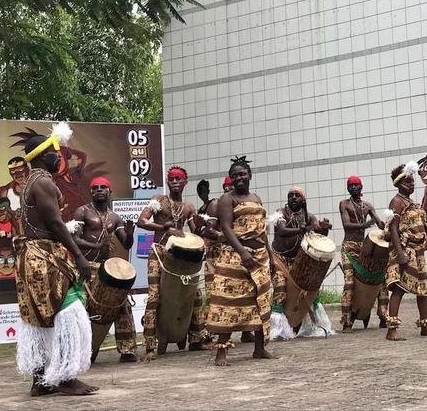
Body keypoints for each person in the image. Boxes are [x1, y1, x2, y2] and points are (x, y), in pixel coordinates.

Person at [14, 125, 97, 396]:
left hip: (29, 258)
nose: (57, 156)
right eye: (52, 152)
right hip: (44, 256)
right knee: (69, 312)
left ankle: (40, 381)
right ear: (40, 157)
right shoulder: (43, 181)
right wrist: (80, 257)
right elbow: (55, 223)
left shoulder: (29, 183)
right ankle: (65, 377)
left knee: (38, 319)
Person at [205, 156, 275, 366]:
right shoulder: (227, 199)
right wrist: (243, 253)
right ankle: (221, 353)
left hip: (260, 254)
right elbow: (226, 227)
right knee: (228, 302)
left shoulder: (256, 197)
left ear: (250, 175)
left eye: (242, 174)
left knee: (260, 299)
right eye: (235, 175)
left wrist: (270, 257)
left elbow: (262, 231)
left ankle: (259, 348)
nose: (239, 178)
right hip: (235, 256)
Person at [137, 166, 208, 361]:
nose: (175, 182)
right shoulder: (159, 200)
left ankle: (196, 339)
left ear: (185, 182)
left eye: (179, 179)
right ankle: (150, 346)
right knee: (153, 298)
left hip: (180, 256)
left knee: (195, 295)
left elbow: (194, 233)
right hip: (159, 253)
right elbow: (141, 221)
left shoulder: (189, 207)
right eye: (172, 179)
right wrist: (163, 227)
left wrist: (203, 227)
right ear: (168, 183)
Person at [72, 177, 137, 362]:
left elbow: (126, 243)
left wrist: (131, 235)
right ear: (91, 192)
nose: (99, 190)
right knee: (83, 308)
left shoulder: (115, 218)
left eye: (103, 187)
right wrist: (98, 246)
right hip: (86, 266)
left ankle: (127, 350)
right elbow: (75, 239)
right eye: (95, 188)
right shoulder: (82, 212)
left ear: (109, 191)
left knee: (121, 303)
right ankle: (85, 351)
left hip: (105, 268)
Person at [384, 162, 427, 340]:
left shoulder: (412, 202)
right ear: (398, 184)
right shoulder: (397, 201)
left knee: (422, 289)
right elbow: (393, 228)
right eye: (407, 182)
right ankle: (391, 330)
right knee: (400, 288)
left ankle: (425, 326)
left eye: (412, 181)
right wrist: (401, 253)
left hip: (418, 252)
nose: (411, 184)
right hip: (405, 250)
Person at [269, 186, 332, 339]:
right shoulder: (281, 213)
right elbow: (282, 230)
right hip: (279, 259)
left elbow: (318, 233)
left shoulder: (309, 216)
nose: (294, 198)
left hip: (298, 259)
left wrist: (324, 229)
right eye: (291, 195)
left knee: (310, 291)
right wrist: (300, 230)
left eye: (297, 195)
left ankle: (313, 326)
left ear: (303, 200)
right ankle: (277, 330)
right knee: (280, 289)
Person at [338, 175, 387, 332]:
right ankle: (346, 321)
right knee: (350, 282)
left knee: (380, 280)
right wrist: (365, 224)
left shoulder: (367, 206)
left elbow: (379, 223)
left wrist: (389, 224)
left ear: (361, 187)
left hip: (364, 248)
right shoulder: (344, 204)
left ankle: (384, 316)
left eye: (355, 185)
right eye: (350, 185)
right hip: (349, 248)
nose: (353, 187)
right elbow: (346, 225)